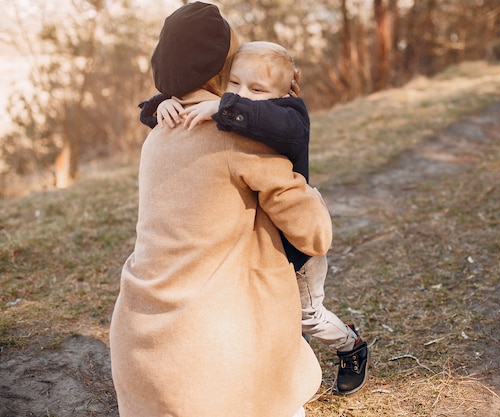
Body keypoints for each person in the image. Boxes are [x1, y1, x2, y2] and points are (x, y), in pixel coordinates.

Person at [109, 3, 331, 417]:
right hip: (208, 366)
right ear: (219, 68)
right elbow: (315, 234)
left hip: (139, 350)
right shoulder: (237, 140)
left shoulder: (158, 131)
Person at [139, 40, 370, 395]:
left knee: (307, 316)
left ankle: (349, 344)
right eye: (234, 84)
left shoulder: (290, 116)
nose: (243, 95)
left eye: (256, 89)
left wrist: (225, 104)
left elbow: (273, 120)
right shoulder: (234, 109)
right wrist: (162, 104)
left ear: (284, 93)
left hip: (296, 240)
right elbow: (173, 109)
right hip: (260, 245)